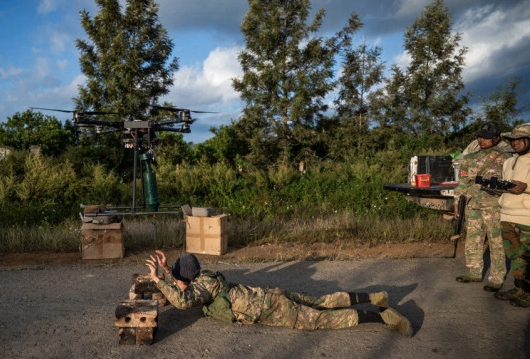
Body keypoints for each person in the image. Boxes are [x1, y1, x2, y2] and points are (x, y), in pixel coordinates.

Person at [145, 250, 413, 336]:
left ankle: (383, 317)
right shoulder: (206, 277)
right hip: (270, 294)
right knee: (321, 301)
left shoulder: (201, 289)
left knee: (322, 319)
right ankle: (374, 297)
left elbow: (182, 301)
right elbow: (184, 285)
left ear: (187, 279)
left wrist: (159, 280)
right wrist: (169, 270)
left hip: (273, 309)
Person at [453, 122, 511, 292]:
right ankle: (474, 272)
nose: (482, 140)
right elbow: (463, 183)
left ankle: (496, 277)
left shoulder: (506, 159)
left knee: (496, 243)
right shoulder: (469, 158)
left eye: (486, 137)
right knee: (473, 240)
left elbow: (510, 183)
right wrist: (457, 201)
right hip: (473, 205)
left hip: (494, 207)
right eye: (480, 136)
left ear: (496, 138)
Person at [494, 123, 530, 308]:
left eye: (519, 139)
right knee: (515, 255)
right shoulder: (508, 162)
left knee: (528, 256)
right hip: (507, 215)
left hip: (527, 216)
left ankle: (528, 292)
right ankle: (520, 288)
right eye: (512, 139)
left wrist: (526, 187)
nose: (515, 143)